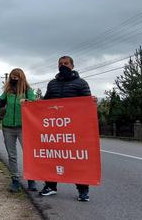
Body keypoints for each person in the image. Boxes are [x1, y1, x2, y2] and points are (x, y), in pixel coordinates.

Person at [38, 56, 93, 202]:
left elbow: (87, 105)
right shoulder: (52, 84)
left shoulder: (81, 83)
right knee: (52, 157)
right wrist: (31, 105)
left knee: (76, 159)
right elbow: (45, 103)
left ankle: (83, 190)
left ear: (72, 66)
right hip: (55, 128)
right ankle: (50, 186)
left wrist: (92, 102)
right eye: (60, 64)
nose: (63, 66)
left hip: (74, 130)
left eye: (66, 64)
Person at [0, 68, 37, 193]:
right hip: (7, 127)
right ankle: (15, 180)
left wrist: (27, 101)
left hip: (24, 127)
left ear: (21, 77)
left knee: (28, 154)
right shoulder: (7, 91)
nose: (13, 78)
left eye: (16, 76)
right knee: (12, 155)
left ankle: (31, 179)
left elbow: (34, 103)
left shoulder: (27, 91)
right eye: (12, 76)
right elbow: (0, 103)